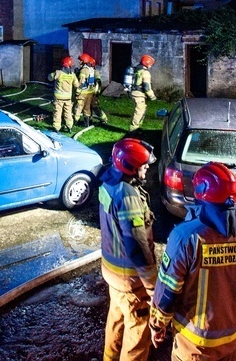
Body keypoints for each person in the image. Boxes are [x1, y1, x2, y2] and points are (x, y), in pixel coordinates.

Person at [150, 162, 236, 361]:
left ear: (200, 193)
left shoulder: (185, 237)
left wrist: (157, 324)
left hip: (195, 347)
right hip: (233, 343)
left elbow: (168, 291)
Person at [99, 138, 158, 361]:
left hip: (112, 272)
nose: (147, 168)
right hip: (130, 278)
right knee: (137, 330)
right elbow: (137, 247)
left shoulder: (109, 183)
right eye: (144, 165)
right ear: (131, 167)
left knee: (116, 318)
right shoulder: (128, 196)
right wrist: (152, 287)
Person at [49, 56, 79, 133]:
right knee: (68, 112)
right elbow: (77, 85)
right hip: (68, 98)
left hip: (58, 97)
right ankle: (69, 127)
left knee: (57, 112)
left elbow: (49, 78)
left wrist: (53, 73)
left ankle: (56, 128)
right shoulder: (72, 75)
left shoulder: (58, 73)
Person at [129, 54, 157, 132]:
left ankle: (138, 128)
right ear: (147, 63)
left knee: (141, 110)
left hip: (135, 93)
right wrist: (152, 96)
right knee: (139, 112)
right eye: (150, 64)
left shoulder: (137, 70)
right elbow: (146, 86)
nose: (151, 66)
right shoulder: (145, 73)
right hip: (139, 95)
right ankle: (133, 130)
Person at [74, 53, 103, 127]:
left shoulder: (84, 70)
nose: (79, 62)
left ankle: (74, 122)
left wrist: (77, 91)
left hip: (83, 93)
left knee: (78, 107)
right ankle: (87, 124)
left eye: (80, 60)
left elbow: (82, 82)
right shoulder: (91, 70)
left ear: (84, 61)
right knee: (87, 108)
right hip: (90, 92)